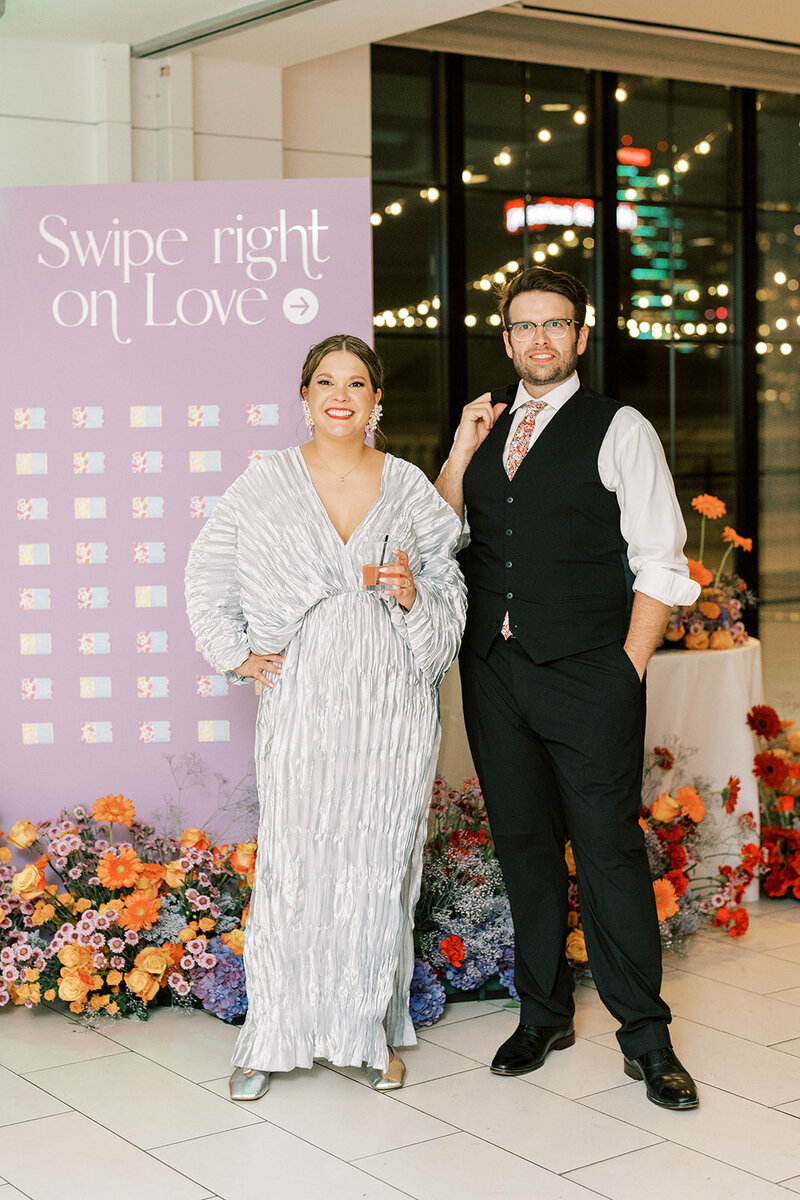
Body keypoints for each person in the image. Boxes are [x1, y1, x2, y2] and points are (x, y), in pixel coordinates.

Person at [435, 267, 701, 1110]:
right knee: (524, 847)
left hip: (590, 671)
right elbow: (445, 536)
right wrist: (460, 450)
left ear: (581, 337)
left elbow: (661, 558)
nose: (539, 340)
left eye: (556, 325)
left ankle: (646, 1038)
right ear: (507, 339)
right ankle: (544, 1012)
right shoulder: (488, 428)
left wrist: (627, 667)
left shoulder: (619, 427)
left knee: (610, 852)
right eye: (524, 327)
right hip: (495, 673)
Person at [186, 334, 465, 1099]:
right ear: (303, 396)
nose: (340, 395)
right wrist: (236, 653)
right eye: (324, 382)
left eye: (358, 383)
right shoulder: (264, 484)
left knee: (377, 865)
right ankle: (271, 1035)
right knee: (295, 865)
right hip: (304, 694)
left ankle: (362, 1033)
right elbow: (207, 572)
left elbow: (449, 588)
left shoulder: (408, 488)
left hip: (393, 700)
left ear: (379, 400)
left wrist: (414, 596)